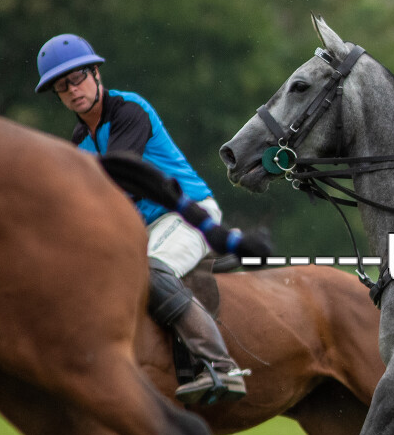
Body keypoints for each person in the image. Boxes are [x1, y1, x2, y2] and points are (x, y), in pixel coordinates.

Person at [35, 33, 248, 402]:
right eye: (61, 86)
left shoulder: (129, 111)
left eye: (77, 77)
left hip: (185, 215)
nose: (72, 89)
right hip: (140, 229)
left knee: (149, 271)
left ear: (96, 74)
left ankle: (222, 367)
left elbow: (116, 183)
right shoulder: (79, 140)